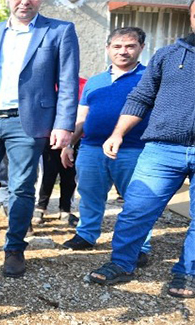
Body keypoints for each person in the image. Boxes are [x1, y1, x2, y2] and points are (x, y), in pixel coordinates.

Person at [87, 2, 195, 299]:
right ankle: (122, 262)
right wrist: (118, 134)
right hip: (162, 149)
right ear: (191, 15)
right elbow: (141, 98)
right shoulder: (168, 55)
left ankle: (188, 271)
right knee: (136, 209)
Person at [0, 0, 79, 278]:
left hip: (28, 122)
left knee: (21, 187)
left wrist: (64, 124)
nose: (24, 1)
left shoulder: (60, 31)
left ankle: (14, 247)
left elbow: (67, 82)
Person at [61, 28, 153, 268]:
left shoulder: (150, 78)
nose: (123, 51)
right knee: (90, 196)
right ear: (108, 48)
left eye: (130, 46)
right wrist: (70, 143)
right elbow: (82, 116)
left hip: (133, 150)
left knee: (136, 202)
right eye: (117, 46)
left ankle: (139, 246)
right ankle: (87, 235)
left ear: (141, 48)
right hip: (91, 148)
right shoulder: (95, 81)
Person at [33, 76, 87, 228]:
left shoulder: (84, 84)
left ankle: (65, 209)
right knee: (47, 173)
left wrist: (72, 138)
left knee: (69, 174)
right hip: (50, 136)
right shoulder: (47, 83)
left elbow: (83, 113)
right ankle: (40, 207)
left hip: (75, 137)